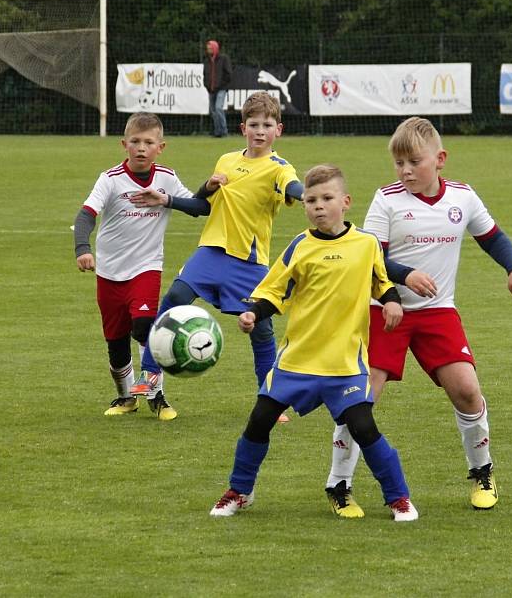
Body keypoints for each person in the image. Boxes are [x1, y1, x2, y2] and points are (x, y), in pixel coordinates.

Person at [323, 117, 512, 519]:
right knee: (360, 400)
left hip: (437, 313)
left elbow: (493, 238)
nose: (405, 171)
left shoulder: (462, 197)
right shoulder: (387, 200)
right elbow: (369, 257)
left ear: (439, 159)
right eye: (399, 163)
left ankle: (483, 473)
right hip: (384, 310)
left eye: (413, 162)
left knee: (468, 390)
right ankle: (339, 484)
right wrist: (404, 277)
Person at [209, 164, 418, 522]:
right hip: (297, 360)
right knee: (259, 420)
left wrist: (394, 301)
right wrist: (253, 315)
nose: (318, 206)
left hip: (344, 364)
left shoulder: (366, 244)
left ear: (346, 201)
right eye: (310, 200)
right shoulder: (299, 247)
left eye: (326, 198)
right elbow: (274, 291)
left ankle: (398, 498)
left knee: (364, 428)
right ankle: (240, 491)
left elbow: (380, 282)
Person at [130, 92, 303, 424]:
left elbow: (292, 186)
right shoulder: (225, 160)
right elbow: (201, 205)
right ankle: (150, 373)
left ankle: (270, 400)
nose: (260, 131)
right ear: (243, 128)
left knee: (262, 330)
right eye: (253, 124)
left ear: (278, 130)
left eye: (267, 125)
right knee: (176, 296)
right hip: (211, 250)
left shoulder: (279, 168)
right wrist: (186, 192)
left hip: (249, 262)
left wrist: (306, 193)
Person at [74, 113, 210, 420]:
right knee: (116, 341)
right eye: (135, 142)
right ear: (124, 144)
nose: (141, 148)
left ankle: (156, 394)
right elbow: (85, 216)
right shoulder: (109, 179)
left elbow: (200, 207)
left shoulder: (166, 177)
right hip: (108, 273)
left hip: (146, 268)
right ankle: (126, 398)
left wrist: (171, 198)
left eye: (149, 142)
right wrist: (83, 248)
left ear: (160, 147)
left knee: (145, 326)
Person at [203, 39, 232, 138]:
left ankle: (224, 131)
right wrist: (207, 85)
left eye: (210, 48)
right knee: (213, 111)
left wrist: (221, 85)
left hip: (221, 88)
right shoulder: (206, 60)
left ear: (215, 48)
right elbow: (205, 74)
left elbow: (228, 74)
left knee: (218, 108)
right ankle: (217, 131)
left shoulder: (223, 59)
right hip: (211, 90)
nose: (208, 50)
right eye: (207, 49)